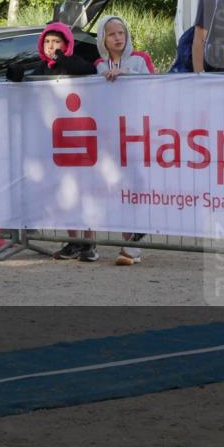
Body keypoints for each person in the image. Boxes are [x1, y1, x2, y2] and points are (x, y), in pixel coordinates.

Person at [8, 22, 98, 261]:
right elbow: (23, 79)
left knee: (83, 191)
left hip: (78, 136)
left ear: (66, 44)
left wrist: (61, 58)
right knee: (64, 193)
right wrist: (15, 74)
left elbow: (88, 70)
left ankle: (90, 242)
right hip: (52, 139)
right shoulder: (40, 67)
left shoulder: (74, 62)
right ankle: (73, 240)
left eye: (56, 42)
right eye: (47, 42)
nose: (51, 47)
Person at [95, 15, 154, 265]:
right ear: (103, 39)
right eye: (112, 34)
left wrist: (125, 74)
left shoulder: (141, 59)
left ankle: (135, 241)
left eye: (121, 32)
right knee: (122, 188)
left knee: (140, 183)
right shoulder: (100, 64)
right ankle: (128, 246)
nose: (118, 37)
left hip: (141, 130)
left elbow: (156, 85)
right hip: (113, 134)